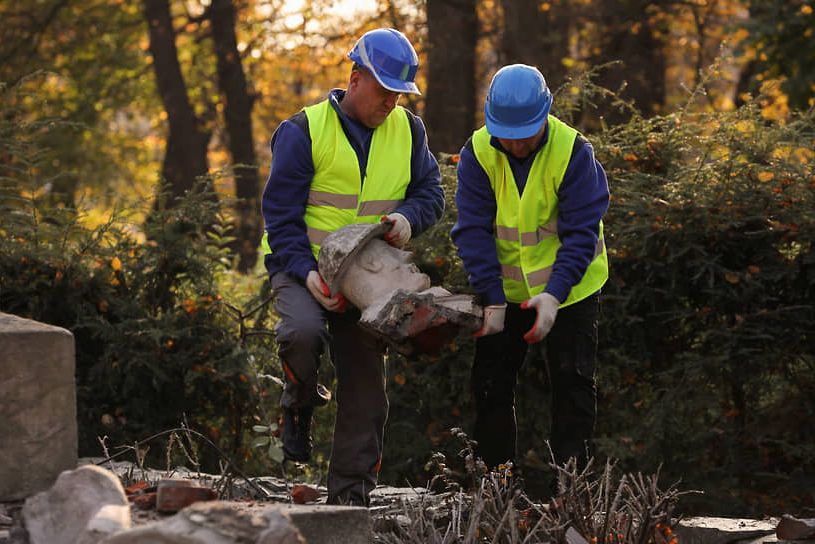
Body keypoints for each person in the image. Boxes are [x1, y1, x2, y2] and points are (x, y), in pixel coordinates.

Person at [260, 28, 445, 506]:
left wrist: (408, 218)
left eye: (399, 95)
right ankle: (298, 408)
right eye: (385, 91)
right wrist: (306, 273)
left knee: (366, 394)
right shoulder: (302, 132)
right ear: (355, 79)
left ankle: (349, 504)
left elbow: (431, 193)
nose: (392, 104)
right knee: (301, 333)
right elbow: (280, 219)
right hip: (300, 263)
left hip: (369, 276)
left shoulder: (410, 130)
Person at [450, 64, 609, 484]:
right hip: (503, 292)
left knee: (573, 389)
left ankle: (573, 494)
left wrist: (554, 294)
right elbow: (473, 231)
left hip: (570, 292)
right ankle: (497, 489)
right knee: (490, 386)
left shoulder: (574, 153)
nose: (517, 144)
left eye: (527, 134)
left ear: (546, 116)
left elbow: (580, 236)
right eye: (508, 133)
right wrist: (493, 298)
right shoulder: (478, 152)